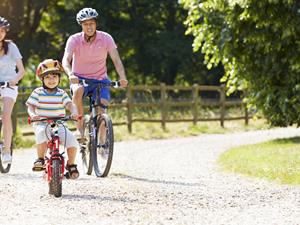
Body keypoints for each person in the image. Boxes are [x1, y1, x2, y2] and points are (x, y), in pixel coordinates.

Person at [62, 7, 128, 139]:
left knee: (102, 108)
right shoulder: (74, 39)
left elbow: (116, 60)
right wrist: (70, 74)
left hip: (100, 79)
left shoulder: (106, 38)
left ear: (96, 23)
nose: (89, 27)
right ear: (81, 25)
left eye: (91, 23)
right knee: (78, 91)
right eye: (85, 24)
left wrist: (122, 77)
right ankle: (80, 129)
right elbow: (65, 60)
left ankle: (102, 140)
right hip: (79, 78)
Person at [26, 59, 79, 179]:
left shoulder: (62, 93)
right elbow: (31, 106)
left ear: (59, 79)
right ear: (42, 79)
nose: (51, 80)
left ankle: (71, 165)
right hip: (42, 123)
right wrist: (33, 115)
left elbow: (70, 105)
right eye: (48, 77)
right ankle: (40, 159)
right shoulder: (38, 92)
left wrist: (74, 112)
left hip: (59, 124)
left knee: (72, 141)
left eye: (54, 76)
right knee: (41, 134)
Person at [0, 16, 25, 163]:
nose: (0, 33)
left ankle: (7, 151)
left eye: (2, 31)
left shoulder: (11, 47)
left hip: (9, 85)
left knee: (6, 115)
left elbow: (21, 70)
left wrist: (14, 80)